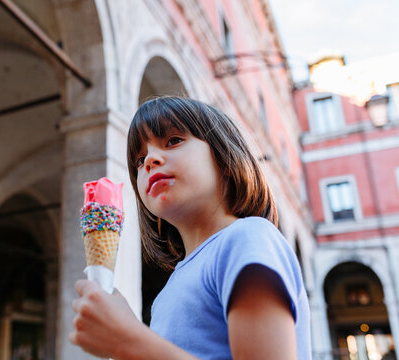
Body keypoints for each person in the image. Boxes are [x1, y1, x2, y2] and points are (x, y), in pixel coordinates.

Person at [70, 96, 311, 359]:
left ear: (226, 158)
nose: (150, 159)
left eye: (173, 141)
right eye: (139, 160)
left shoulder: (247, 237)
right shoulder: (166, 294)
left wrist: (128, 341)